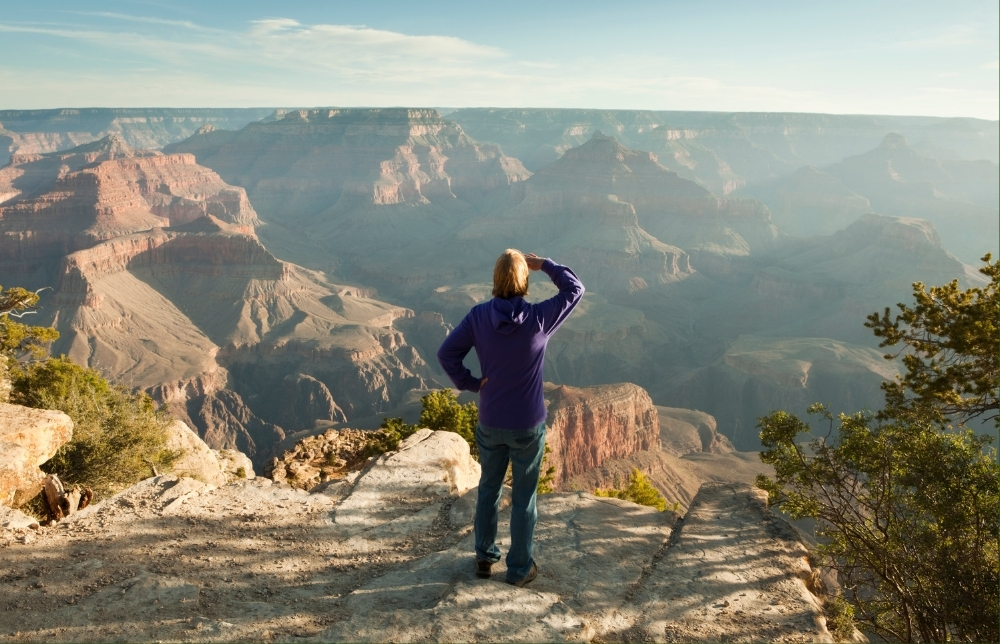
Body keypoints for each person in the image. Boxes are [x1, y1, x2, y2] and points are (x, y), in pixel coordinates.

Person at [437, 249, 584, 587]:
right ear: (524, 281)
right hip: (528, 426)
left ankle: (484, 559)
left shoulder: (478, 317)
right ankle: (519, 570)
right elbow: (575, 289)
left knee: (488, 488)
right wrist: (545, 264)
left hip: (490, 421)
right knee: (523, 498)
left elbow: (447, 353)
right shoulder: (540, 318)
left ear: (495, 280)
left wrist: (471, 384)